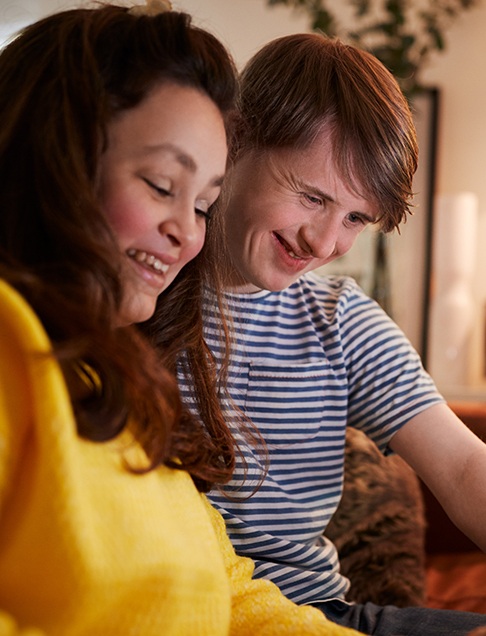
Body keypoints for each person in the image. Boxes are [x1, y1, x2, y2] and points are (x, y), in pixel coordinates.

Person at [0, 5, 367, 635]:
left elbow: (232, 593)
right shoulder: (12, 350)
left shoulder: (129, 378)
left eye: (204, 205)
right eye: (161, 184)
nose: (185, 233)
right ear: (53, 163)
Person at [179, 32, 486, 635]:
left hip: (322, 614)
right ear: (236, 140)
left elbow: (462, 469)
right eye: (311, 197)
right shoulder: (144, 292)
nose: (324, 243)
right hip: (189, 608)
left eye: (354, 218)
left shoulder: (343, 321)